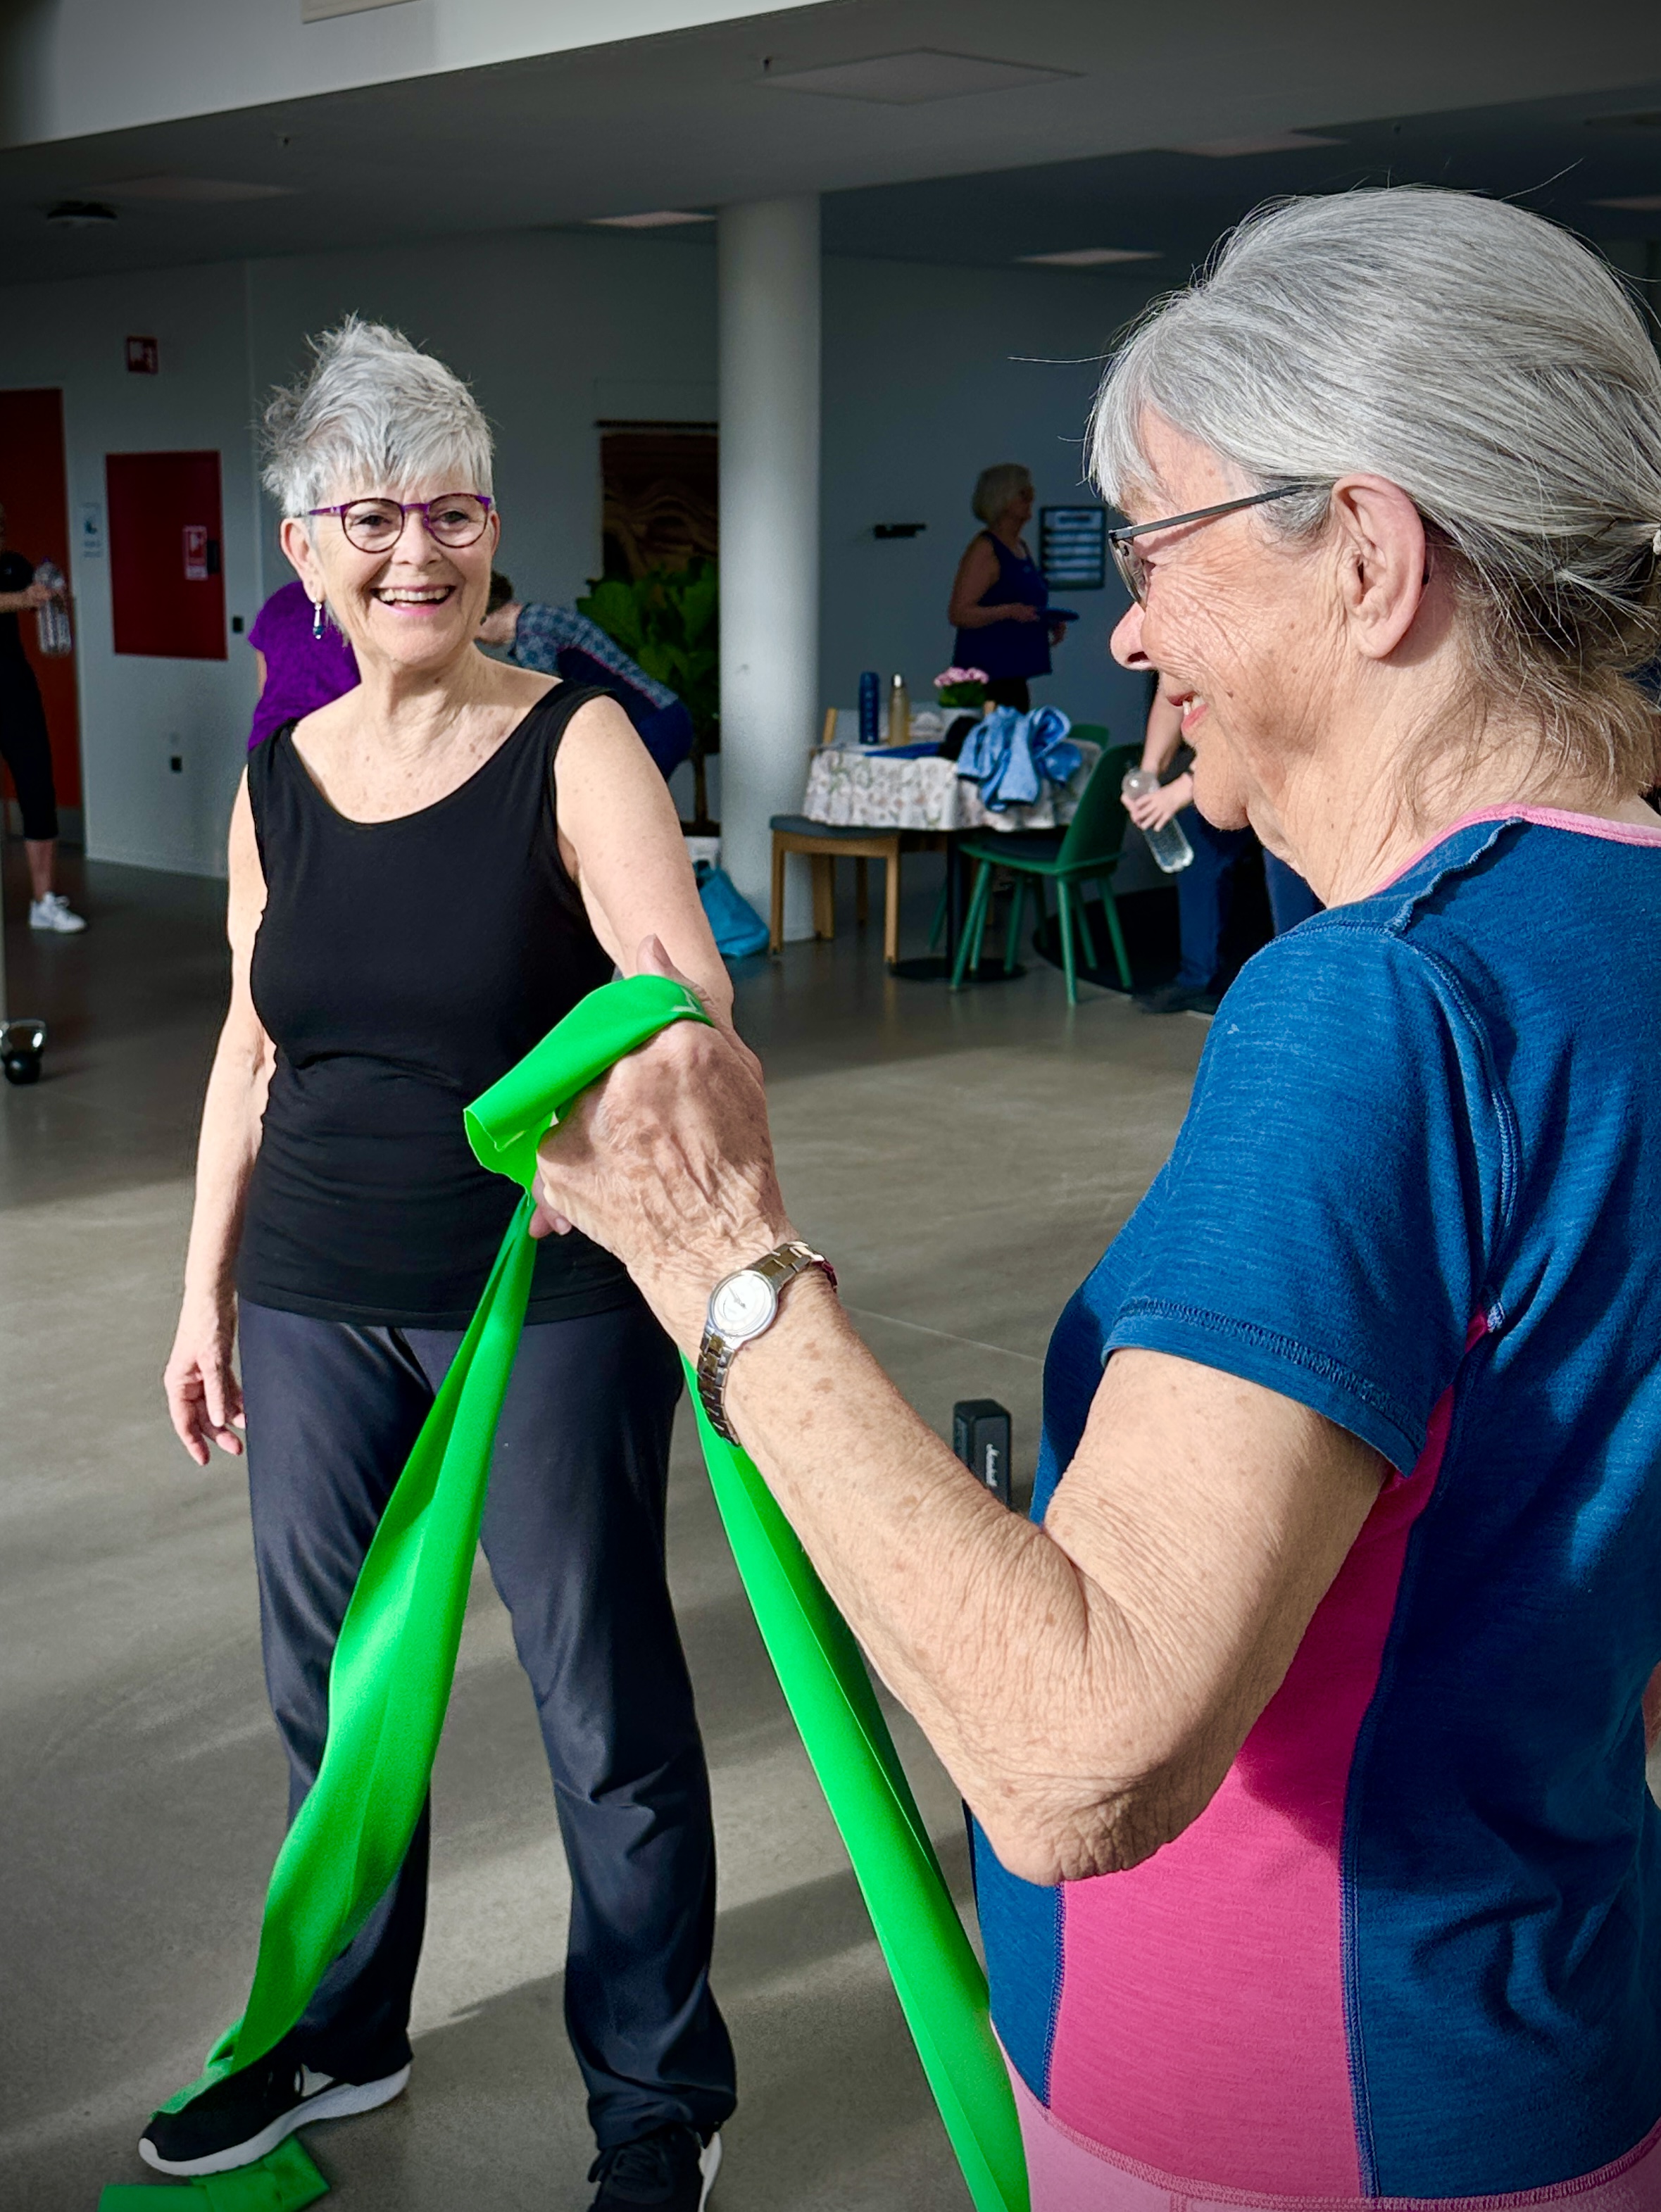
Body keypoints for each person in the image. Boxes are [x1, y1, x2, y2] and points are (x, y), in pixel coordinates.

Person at [528, 190, 1661, 2208]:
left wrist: (717, 1260)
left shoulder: (1378, 1004)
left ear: (1369, 557)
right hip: (1552, 2045)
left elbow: (1073, 1757)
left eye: (1155, 550)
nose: (1126, 629)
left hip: (1288, 2111)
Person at [151, 318, 736, 2212]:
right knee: (330, 1689)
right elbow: (250, 1048)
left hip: (540, 1294)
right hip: (313, 1287)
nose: (418, 550)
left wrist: (614, 1126)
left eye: (455, 510)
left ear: (497, 532)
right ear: (307, 546)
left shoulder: (574, 738)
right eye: (372, 513)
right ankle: (343, 2022)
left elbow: (683, 986)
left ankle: (657, 2091)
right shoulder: (278, 779)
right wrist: (199, 1295)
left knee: (599, 1701)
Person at [1127, 679, 1322, 1012]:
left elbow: (1251, 715)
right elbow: (1169, 691)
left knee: (1287, 862)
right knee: (1199, 842)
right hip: (1228, 759)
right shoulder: (1173, 639)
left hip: (1285, 758)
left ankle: (1299, 990)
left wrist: (1183, 788)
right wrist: (1147, 774)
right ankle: (1198, 978)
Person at [477, 572, 694, 778]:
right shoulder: (537, 618)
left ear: (481, 617)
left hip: (648, 722)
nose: (475, 641)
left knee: (616, 810)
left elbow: (545, 706)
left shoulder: (531, 636)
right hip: (664, 713)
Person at [0, 501, 85, 931]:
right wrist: (20, 600)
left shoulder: (13, 565)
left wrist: (52, 596)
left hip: (14, 691)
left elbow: (38, 598)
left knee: (37, 788)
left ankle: (44, 901)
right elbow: (14, 600)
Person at [947, 464, 1067, 710]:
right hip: (984, 678)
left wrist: (1046, 620)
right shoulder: (985, 549)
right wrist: (1008, 611)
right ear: (1002, 499)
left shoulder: (1021, 546)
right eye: (1023, 494)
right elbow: (959, 613)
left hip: (1014, 673)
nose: (1031, 499)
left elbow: (1022, 601)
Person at [246, 574, 359, 750]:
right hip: (335, 746)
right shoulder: (361, 609)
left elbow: (264, 688)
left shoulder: (279, 601)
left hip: (270, 746)